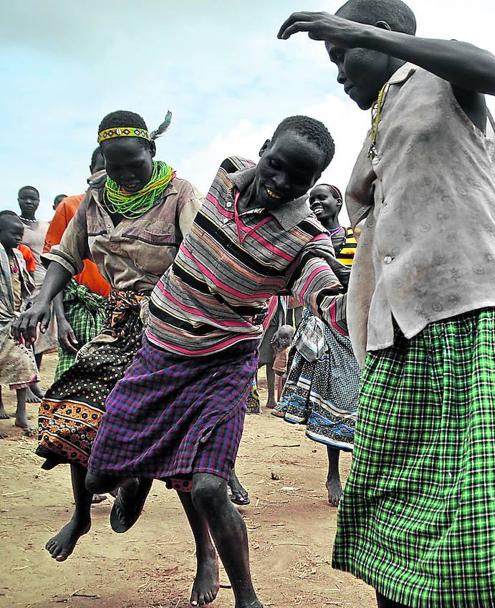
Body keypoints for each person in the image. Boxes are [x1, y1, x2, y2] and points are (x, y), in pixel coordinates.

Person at [280, 3, 495, 606]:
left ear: (380, 35)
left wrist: (354, 29)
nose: (337, 72)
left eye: (342, 55)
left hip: (480, 310)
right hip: (400, 327)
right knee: (390, 502)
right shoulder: (378, 123)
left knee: (475, 512)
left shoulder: (442, 81)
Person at [82, 115, 344, 608]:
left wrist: (350, 300)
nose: (280, 184)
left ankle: (246, 596)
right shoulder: (226, 173)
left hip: (225, 361)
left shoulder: (307, 238)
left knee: (207, 488)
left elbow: (322, 289)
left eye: (300, 181)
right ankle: (136, 476)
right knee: (98, 477)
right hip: (161, 343)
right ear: (263, 149)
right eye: (276, 166)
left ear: (313, 185)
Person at [13, 110, 204, 572]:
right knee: (73, 407)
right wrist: (41, 300)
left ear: (152, 152)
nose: (124, 175)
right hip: (120, 321)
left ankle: (205, 553)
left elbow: (203, 255)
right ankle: (82, 515)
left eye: (133, 164)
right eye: (113, 167)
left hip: (174, 325)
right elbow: (66, 255)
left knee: (182, 444)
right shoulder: (95, 198)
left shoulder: (181, 193)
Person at [275, 182, 358, 507]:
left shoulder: (356, 238)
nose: (316, 203)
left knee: (361, 400)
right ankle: (334, 473)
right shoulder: (307, 242)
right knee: (334, 394)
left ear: (338, 200)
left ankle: (363, 472)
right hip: (324, 327)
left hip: (356, 325)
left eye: (322, 197)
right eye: (311, 200)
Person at [43, 148, 112, 383]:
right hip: (77, 310)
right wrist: (61, 320)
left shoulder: (132, 210)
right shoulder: (70, 207)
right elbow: (57, 265)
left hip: (117, 310)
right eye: (101, 168)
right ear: (91, 171)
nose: (107, 175)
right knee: (70, 377)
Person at [0, 212, 39, 432]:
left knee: (24, 365)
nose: (19, 237)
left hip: (15, 318)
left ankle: (21, 414)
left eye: (21, 234)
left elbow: (25, 286)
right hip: (1, 318)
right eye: (14, 233)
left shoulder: (18, 256)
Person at [15, 185, 50, 400]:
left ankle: (35, 384)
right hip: (23, 283)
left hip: (44, 283)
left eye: (33, 199)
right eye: (25, 198)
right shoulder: (13, 224)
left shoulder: (45, 226)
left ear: (39, 201)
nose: (29, 202)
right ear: (18, 200)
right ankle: (24, 386)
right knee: (23, 337)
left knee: (39, 338)